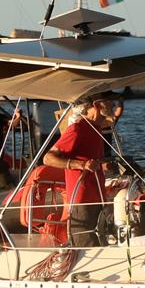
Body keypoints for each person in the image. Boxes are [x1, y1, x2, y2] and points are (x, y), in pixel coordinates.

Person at [41, 91, 121, 246]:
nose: (113, 105)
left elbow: (89, 158)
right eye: (109, 102)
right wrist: (81, 165)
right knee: (84, 245)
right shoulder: (77, 129)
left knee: (102, 243)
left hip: (98, 197)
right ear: (97, 105)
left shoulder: (96, 128)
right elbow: (48, 158)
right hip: (82, 200)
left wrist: (105, 165)